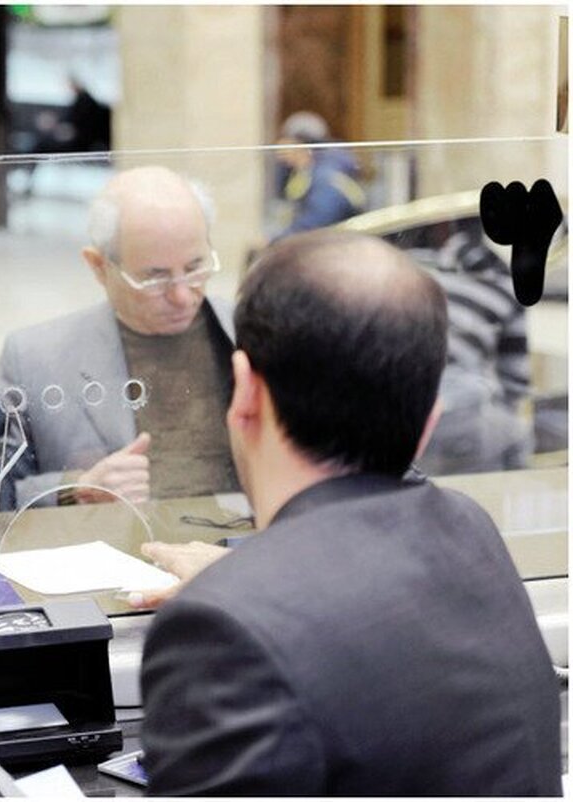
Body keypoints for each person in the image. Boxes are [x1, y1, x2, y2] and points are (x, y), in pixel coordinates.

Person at [139, 230, 561, 795]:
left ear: (243, 392)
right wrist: (246, 583)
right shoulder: (469, 528)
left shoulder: (217, 629)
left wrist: (242, 593)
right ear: (429, 417)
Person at [0, 167, 239, 507]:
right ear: (98, 267)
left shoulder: (255, 337)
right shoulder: (36, 358)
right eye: (155, 278)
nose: (183, 296)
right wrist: (74, 487)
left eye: (196, 267)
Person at [405, 218, 534, 474]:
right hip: (468, 422)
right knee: (513, 438)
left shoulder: (394, 273)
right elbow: (515, 383)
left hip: (400, 416)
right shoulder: (502, 280)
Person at [270, 110, 365, 241]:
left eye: (285, 139)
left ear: (300, 144)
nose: (280, 146)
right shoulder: (303, 173)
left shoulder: (326, 176)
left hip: (335, 247)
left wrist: (275, 241)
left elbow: (316, 221)